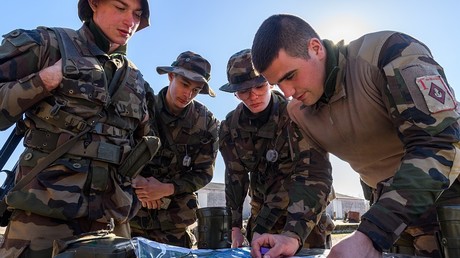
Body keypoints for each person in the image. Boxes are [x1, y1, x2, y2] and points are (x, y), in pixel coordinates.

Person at [250, 14, 460, 258]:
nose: (287, 92)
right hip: (391, 215)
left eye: (290, 76)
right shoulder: (297, 113)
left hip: (449, 200)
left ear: (315, 48)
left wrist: (370, 235)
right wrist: (291, 236)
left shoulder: (387, 53)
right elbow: (311, 177)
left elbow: (438, 144)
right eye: (277, 85)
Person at [0, 0, 158, 257]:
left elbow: (143, 145)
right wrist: (43, 81)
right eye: (121, 7)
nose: (130, 21)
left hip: (111, 225)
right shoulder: (47, 45)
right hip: (42, 221)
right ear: (94, 4)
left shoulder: (136, 80)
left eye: (138, 15)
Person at [219, 49, 333, 250]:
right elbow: (235, 176)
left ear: (270, 82)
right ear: (235, 93)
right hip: (262, 211)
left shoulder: (296, 115)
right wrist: (235, 226)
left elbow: (301, 177)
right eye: (244, 91)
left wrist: (260, 227)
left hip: (302, 213)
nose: (253, 95)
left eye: (259, 86)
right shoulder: (230, 126)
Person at [130, 51, 220, 248]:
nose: (188, 94)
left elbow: (203, 173)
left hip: (175, 222)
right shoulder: (139, 109)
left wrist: (164, 189)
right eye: (185, 84)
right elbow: (117, 150)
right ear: (171, 76)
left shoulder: (206, 123)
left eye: (196, 90)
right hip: (133, 213)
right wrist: (137, 182)